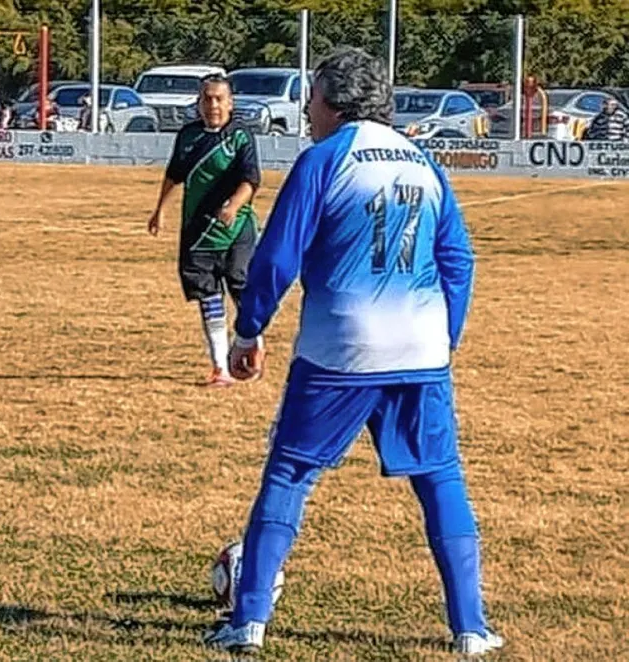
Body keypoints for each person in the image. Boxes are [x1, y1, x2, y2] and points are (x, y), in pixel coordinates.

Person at [201, 47, 502, 656]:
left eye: (311, 98)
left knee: (290, 471)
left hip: (340, 347)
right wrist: (444, 340)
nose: (307, 110)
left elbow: (278, 258)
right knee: (441, 477)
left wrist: (249, 330)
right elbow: (459, 261)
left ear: (334, 102)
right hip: (421, 348)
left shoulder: (325, 159)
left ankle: (249, 621)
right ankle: (471, 628)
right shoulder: (425, 163)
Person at [147, 73, 262, 387]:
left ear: (230, 102)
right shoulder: (188, 136)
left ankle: (252, 347)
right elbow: (174, 175)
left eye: (219, 98)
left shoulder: (240, 136)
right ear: (198, 103)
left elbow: (251, 180)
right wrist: (160, 210)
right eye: (207, 99)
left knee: (243, 290)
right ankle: (220, 368)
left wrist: (234, 206)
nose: (213, 105)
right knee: (208, 297)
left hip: (236, 230)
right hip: (197, 231)